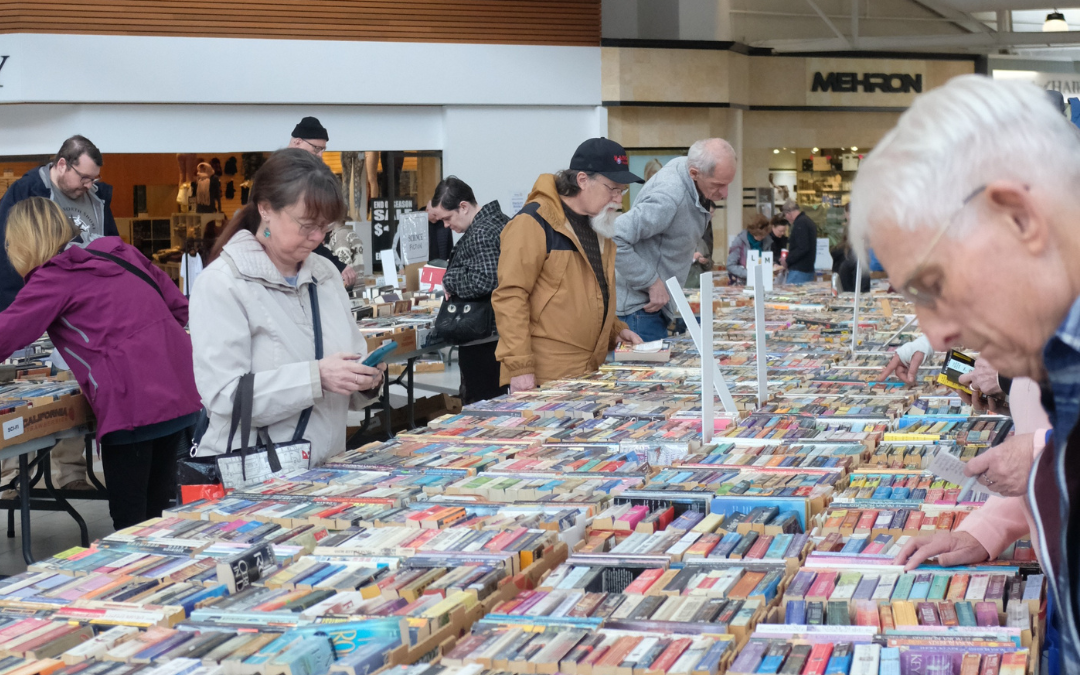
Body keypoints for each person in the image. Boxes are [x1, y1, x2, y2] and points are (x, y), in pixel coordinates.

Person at [848, 74, 1080, 670]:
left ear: (1019, 218)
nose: (940, 336)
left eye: (936, 286)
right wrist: (992, 525)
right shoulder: (1054, 361)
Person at [0, 198, 201, 529]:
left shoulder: (54, 278)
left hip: (131, 403)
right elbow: (180, 308)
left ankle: (136, 578)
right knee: (158, 511)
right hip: (179, 390)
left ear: (21, 242)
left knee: (131, 519)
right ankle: (165, 578)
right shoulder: (120, 253)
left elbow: (8, 334)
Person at [190, 149, 384, 467]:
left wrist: (365, 379)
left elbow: (348, 358)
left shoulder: (325, 274)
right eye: (307, 225)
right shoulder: (223, 283)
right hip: (257, 476)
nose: (317, 237)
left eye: (325, 227)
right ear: (266, 209)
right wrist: (316, 377)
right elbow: (226, 396)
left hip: (326, 469)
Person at [0, 135, 119, 492]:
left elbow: (113, 249)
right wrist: (17, 310)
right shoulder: (25, 193)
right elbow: (8, 255)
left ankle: (71, 474)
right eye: (83, 177)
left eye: (93, 179)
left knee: (73, 387)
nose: (89, 185)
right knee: (19, 395)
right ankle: (9, 476)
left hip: (83, 315)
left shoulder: (97, 200)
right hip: (31, 305)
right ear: (62, 164)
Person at [493, 138, 643, 392]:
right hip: (545, 374)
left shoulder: (597, 225)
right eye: (612, 189)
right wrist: (520, 368)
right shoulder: (533, 222)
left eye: (622, 191)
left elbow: (588, 294)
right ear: (582, 180)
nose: (618, 199)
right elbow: (510, 297)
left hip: (588, 370)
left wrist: (615, 331)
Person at [614, 139, 737, 342]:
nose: (725, 194)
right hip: (640, 312)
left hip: (647, 309)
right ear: (694, 173)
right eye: (718, 185)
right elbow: (615, 236)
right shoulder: (669, 197)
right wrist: (651, 282)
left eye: (728, 184)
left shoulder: (687, 171)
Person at [427, 176, 509, 403]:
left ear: (463, 206)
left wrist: (450, 280)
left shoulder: (480, 233)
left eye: (447, 218)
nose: (445, 225)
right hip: (498, 334)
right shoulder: (499, 221)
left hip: (484, 337)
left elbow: (485, 279)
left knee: (482, 408)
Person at [287, 116, 358, 289]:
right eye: (316, 149)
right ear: (297, 142)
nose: (320, 155)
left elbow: (311, 238)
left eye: (323, 150)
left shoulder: (306, 174)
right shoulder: (282, 175)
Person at [726, 214, 773, 286]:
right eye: (759, 235)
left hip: (762, 282)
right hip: (742, 283)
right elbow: (730, 265)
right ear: (752, 232)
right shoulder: (740, 241)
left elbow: (767, 260)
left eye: (764, 235)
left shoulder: (767, 241)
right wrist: (749, 274)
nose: (762, 237)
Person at [781, 200, 817, 284]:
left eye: (785, 215)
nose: (786, 218)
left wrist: (787, 260)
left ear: (789, 213)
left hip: (799, 271)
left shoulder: (800, 224)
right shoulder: (808, 221)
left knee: (792, 295)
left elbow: (802, 247)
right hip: (808, 269)